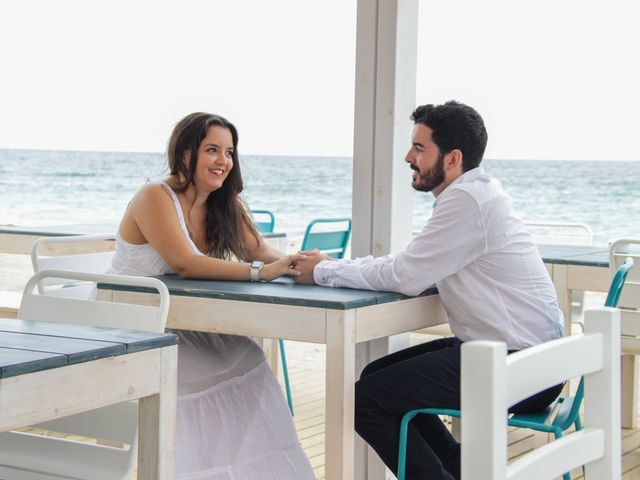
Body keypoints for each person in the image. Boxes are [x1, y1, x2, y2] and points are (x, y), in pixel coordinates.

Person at [294, 101, 564, 479]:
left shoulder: (466, 200)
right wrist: (332, 267)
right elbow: (410, 265)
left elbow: (405, 274)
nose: (408, 157)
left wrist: (322, 271)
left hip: (516, 366)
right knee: (375, 376)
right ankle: (457, 469)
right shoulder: (478, 194)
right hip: (528, 357)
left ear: (453, 159)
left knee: (365, 401)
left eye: (420, 148)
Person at [108, 112, 315, 480]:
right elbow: (186, 263)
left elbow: (262, 252)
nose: (223, 161)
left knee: (248, 358)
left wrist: (312, 264)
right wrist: (259, 273)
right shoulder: (155, 196)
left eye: (230, 152)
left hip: (183, 318)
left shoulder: (223, 204)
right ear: (186, 155)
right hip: (134, 320)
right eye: (212, 150)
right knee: (200, 374)